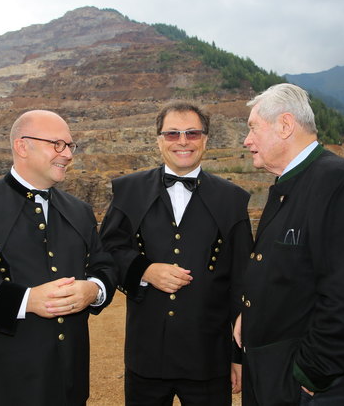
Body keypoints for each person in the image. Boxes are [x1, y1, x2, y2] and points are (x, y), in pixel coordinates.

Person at [0, 110, 116, 405]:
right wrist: (26, 300)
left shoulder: (80, 211)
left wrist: (93, 289)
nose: (67, 154)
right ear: (22, 146)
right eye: (57, 144)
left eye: (69, 146)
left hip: (67, 382)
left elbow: (104, 265)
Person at [233, 83, 344, 405]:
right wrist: (251, 314)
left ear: (285, 125)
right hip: (272, 366)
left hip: (304, 380)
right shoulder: (292, 181)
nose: (247, 141)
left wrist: (313, 373)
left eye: (252, 129)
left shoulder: (335, 180)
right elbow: (287, 272)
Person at [100, 101, 253, 405]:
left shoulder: (233, 199)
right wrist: (144, 270)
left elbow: (242, 281)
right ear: (158, 139)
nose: (183, 141)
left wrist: (237, 356)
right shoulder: (128, 190)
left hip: (209, 359)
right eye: (172, 134)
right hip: (146, 358)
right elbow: (106, 249)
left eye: (192, 133)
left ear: (205, 139)